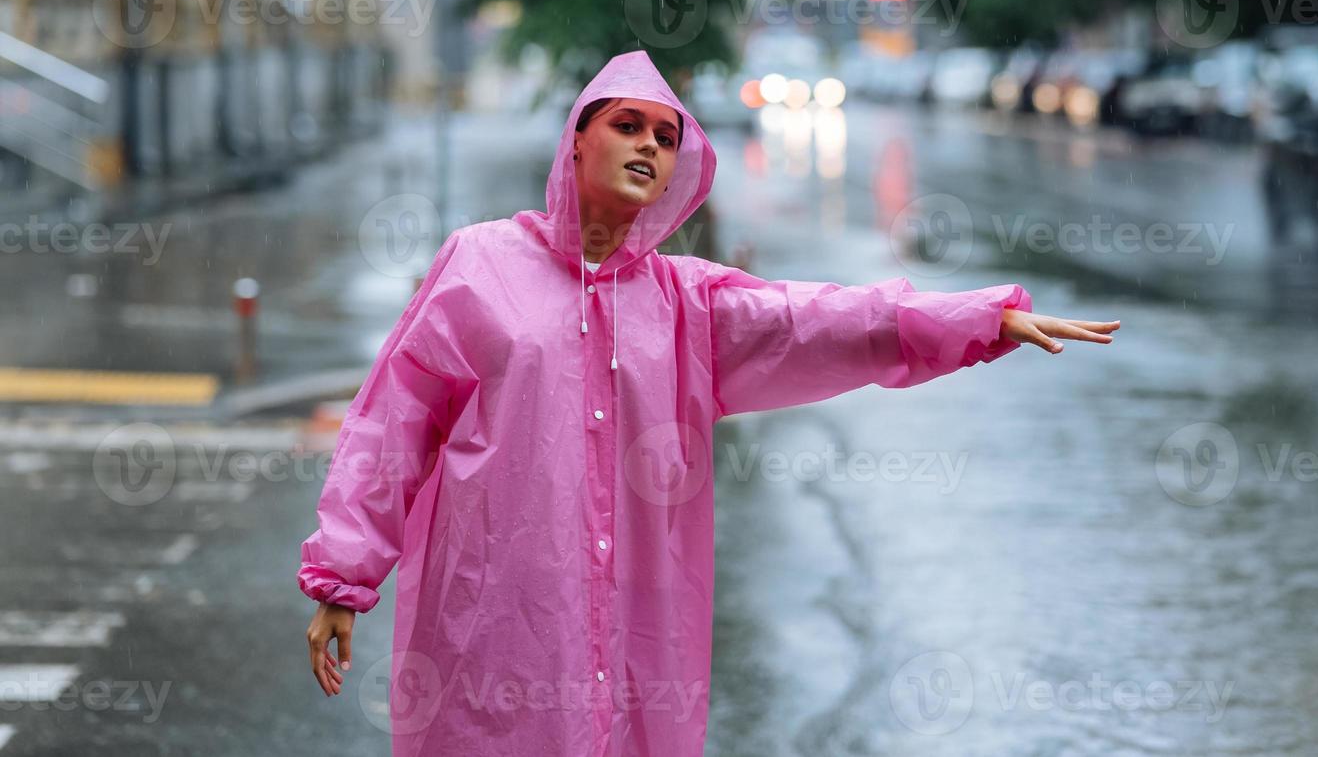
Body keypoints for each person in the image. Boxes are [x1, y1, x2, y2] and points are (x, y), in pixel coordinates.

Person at [300, 49, 1119, 756]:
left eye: (665, 137)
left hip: (631, 627)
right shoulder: (479, 265)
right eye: (628, 125)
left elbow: (825, 317)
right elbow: (393, 421)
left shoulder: (685, 305)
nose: (648, 147)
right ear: (577, 138)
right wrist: (343, 575)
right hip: (495, 617)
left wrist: (977, 317)